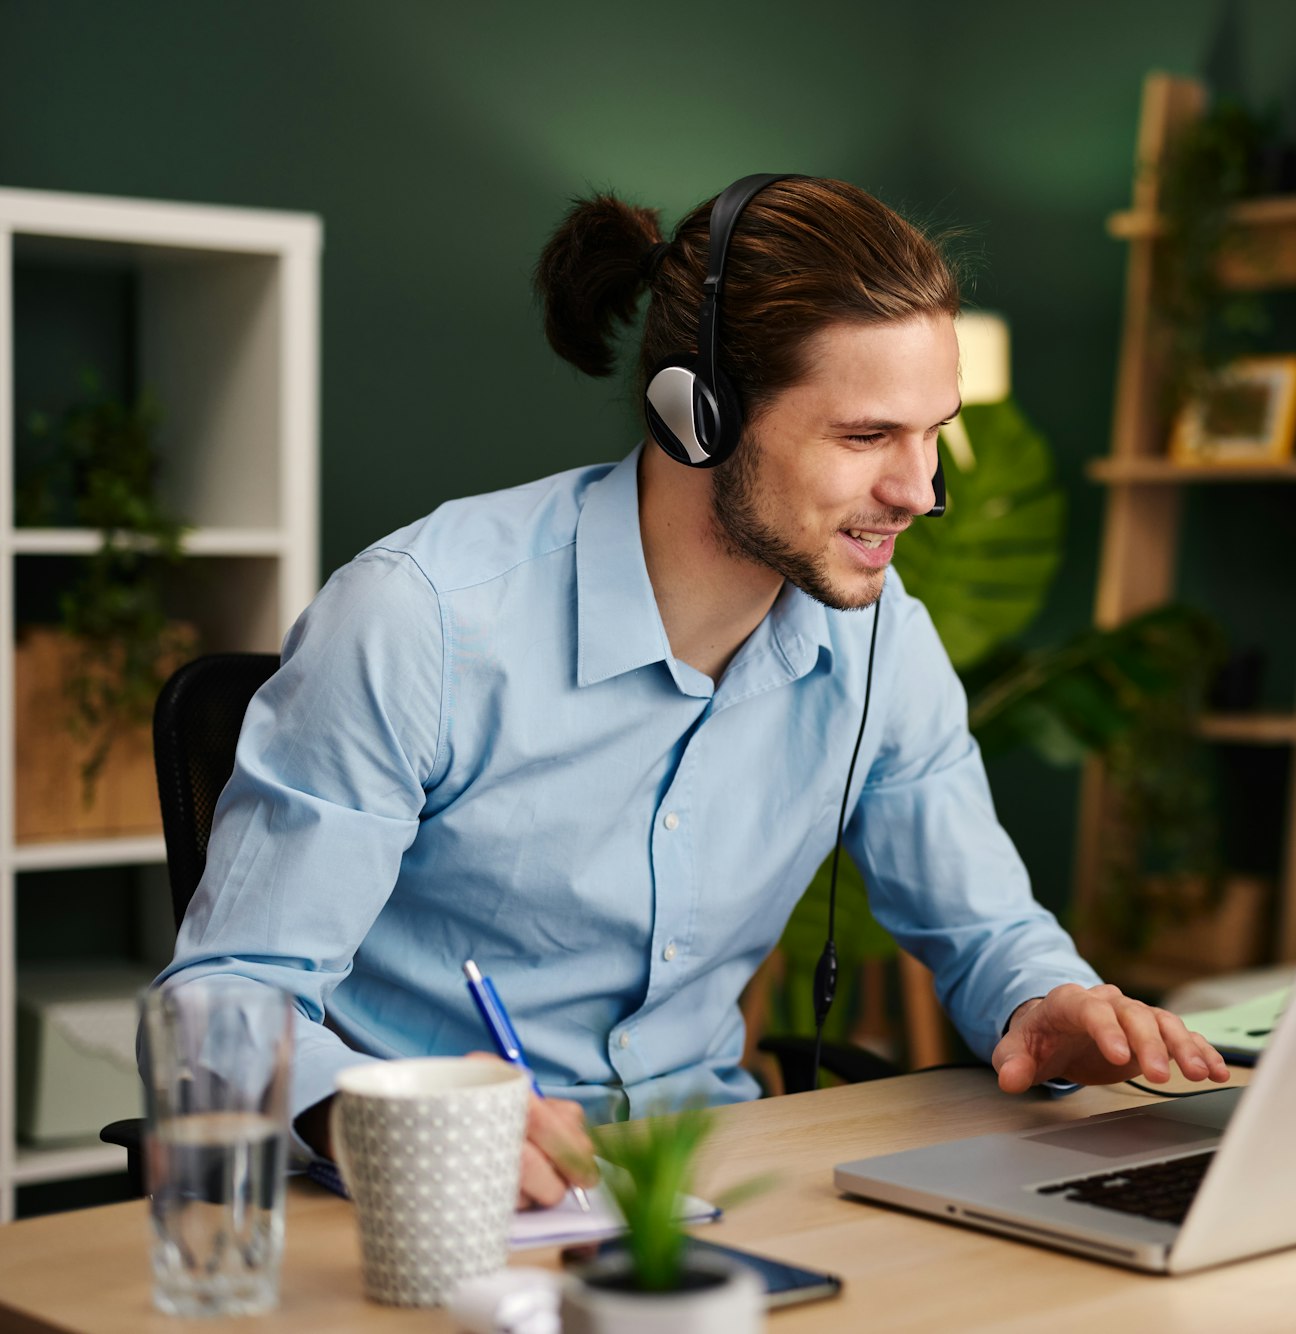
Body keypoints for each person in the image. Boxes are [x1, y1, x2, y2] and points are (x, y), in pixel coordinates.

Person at [158, 175, 1228, 1210]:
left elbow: (986, 925)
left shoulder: (879, 637)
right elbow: (224, 999)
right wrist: (380, 1117)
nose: (920, 491)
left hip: (711, 1186)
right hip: (418, 1204)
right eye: (865, 436)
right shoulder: (421, 619)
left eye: (929, 432)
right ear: (697, 412)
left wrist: (1050, 1002)